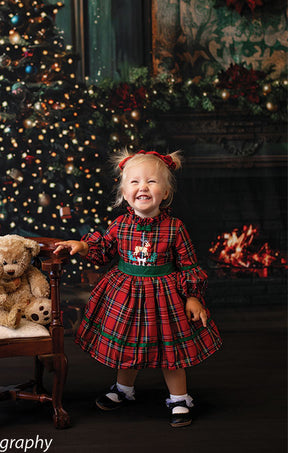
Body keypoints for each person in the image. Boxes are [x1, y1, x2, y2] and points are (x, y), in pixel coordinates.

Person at [54, 149, 222, 427]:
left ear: (165, 192)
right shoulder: (120, 225)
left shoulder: (175, 228)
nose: (143, 187)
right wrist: (82, 246)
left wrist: (193, 296)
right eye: (134, 182)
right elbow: (104, 250)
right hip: (125, 296)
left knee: (171, 352)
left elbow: (189, 265)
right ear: (123, 191)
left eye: (152, 182)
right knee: (126, 345)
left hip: (165, 298)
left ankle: (179, 398)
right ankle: (124, 389)